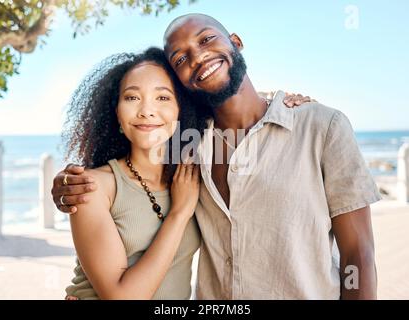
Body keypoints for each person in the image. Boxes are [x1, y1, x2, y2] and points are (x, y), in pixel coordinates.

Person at [53, 14, 380, 299]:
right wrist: (66, 184)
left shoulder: (322, 126)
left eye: (207, 39)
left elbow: (358, 254)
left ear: (236, 42)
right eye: (180, 59)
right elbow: (131, 166)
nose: (197, 57)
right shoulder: (187, 146)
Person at [61, 48, 202, 300]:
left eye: (162, 98)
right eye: (132, 98)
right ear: (116, 112)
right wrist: (179, 214)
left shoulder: (191, 176)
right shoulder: (91, 187)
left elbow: (239, 113)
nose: (146, 110)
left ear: (181, 109)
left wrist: (285, 102)